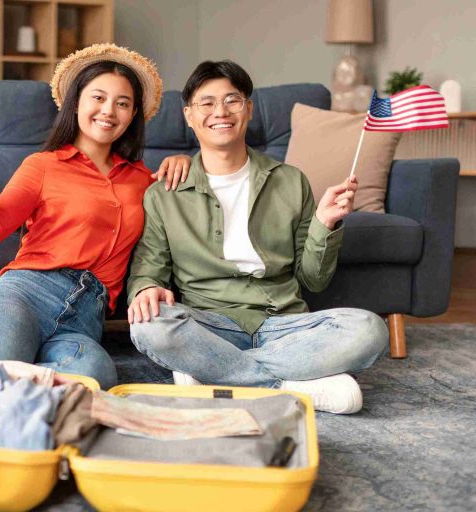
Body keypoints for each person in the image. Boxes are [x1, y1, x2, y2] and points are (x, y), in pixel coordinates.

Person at [0, 44, 191, 390]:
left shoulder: (143, 180)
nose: (109, 111)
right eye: (98, 98)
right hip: (25, 294)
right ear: (77, 103)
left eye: (123, 103)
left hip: (84, 317)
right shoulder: (43, 166)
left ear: (133, 115)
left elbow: (170, 231)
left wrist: (188, 163)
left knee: (95, 375)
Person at [126, 60, 388, 414]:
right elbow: (150, 266)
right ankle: (292, 386)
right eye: (207, 103)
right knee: (149, 326)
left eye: (232, 100)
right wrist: (144, 288)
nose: (221, 111)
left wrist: (324, 225)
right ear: (189, 115)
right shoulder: (164, 192)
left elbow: (314, 279)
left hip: (284, 324)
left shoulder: (291, 181)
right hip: (210, 324)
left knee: (370, 329)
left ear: (248, 109)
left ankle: (215, 373)